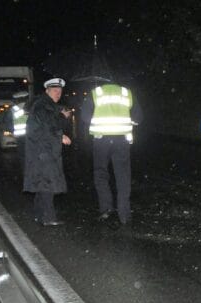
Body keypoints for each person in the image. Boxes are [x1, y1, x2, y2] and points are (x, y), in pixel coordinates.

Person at [82, 79, 143, 227]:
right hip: (121, 140)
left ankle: (106, 209)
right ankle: (124, 214)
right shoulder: (126, 93)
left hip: (101, 140)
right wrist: (126, 120)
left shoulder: (95, 93)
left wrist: (99, 119)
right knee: (123, 176)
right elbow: (138, 118)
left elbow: (85, 117)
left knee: (101, 174)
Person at [23, 78, 72, 226]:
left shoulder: (48, 105)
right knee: (47, 183)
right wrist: (60, 135)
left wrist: (62, 115)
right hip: (42, 150)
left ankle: (39, 215)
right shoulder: (42, 106)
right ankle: (48, 217)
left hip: (43, 150)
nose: (58, 93)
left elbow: (52, 123)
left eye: (60, 91)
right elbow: (47, 127)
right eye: (55, 90)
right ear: (47, 91)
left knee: (42, 182)